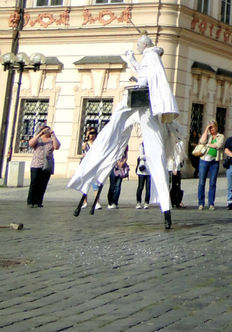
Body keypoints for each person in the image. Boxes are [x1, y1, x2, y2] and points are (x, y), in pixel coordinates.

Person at [68, 33, 182, 230]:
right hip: (136, 102)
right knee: (110, 139)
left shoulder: (151, 56)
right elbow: (143, 75)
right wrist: (131, 60)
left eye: (138, 46)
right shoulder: (148, 57)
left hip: (145, 106)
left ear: (144, 45)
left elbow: (147, 79)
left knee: (152, 153)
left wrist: (138, 76)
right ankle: (87, 190)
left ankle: (165, 209)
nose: (137, 48)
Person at [26, 124, 60, 207]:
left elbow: (57, 146)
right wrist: (39, 134)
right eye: (45, 130)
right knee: (34, 182)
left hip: (47, 164)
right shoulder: (38, 139)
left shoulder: (52, 140)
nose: (46, 132)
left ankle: (38, 201)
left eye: (48, 130)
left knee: (43, 184)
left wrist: (53, 135)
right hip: (36, 164)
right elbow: (30, 144)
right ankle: (31, 201)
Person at [196, 120, 225, 210]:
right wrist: (206, 130)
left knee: (212, 183)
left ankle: (211, 203)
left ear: (216, 127)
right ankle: (201, 203)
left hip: (214, 161)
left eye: (212, 127)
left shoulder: (220, 136)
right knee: (201, 182)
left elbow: (218, 145)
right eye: (210, 127)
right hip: (204, 160)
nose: (211, 129)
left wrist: (207, 144)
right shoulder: (207, 135)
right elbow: (201, 142)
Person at [136, 142, 151, 208]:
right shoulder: (141, 145)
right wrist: (148, 156)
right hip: (142, 169)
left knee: (148, 187)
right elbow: (141, 156)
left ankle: (146, 202)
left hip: (149, 170)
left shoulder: (152, 145)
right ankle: (138, 202)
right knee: (140, 186)